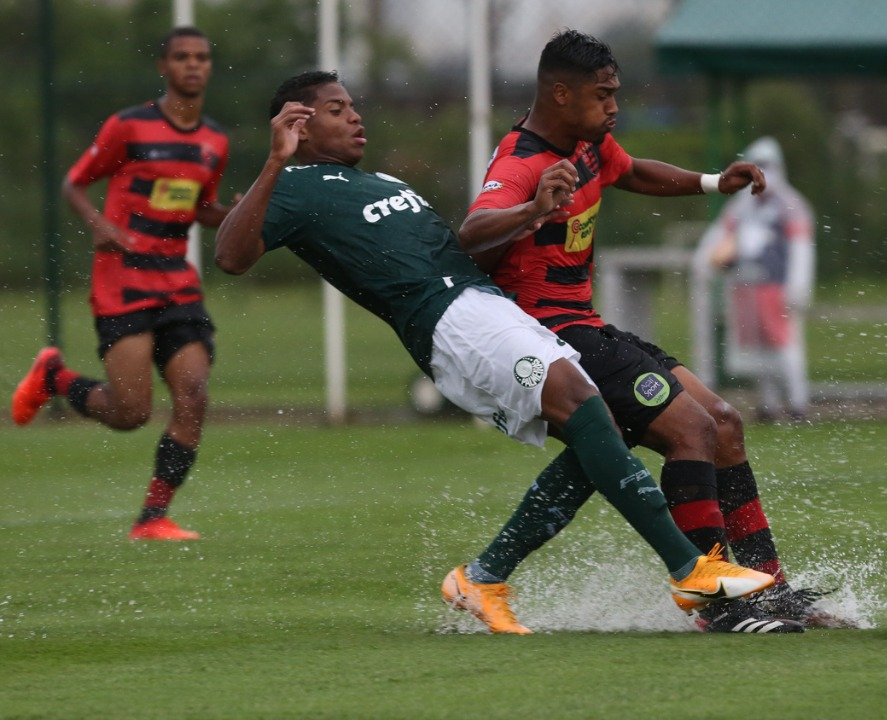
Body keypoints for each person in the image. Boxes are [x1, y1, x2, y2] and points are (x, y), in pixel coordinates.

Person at [213, 70, 788, 635]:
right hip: (451, 320)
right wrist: (272, 163)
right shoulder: (291, 185)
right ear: (298, 127)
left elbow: (468, 248)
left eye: (352, 105)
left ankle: (483, 578)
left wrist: (532, 214)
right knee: (586, 405)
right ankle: (690, 570)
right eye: (337, 110)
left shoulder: (379, 181)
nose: (356, 115)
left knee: (605, 429)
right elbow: (231, 257)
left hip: (486, 308)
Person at [458, 29, 843, 631]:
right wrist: (533, 208)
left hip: (586, 328)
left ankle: (768, 588)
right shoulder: (521, 162)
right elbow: (473, 231)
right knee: (690, 428)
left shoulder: (588, 146)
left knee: (723, 424)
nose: (615, 107)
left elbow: (633, 171)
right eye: (604, 95)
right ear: (561, 94)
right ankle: (717, 605)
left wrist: (717, 182)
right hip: (547, 340)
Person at [12, 27, 235, 541]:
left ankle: (153, 517)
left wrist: (233, 214)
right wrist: (97, 224)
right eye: (182, 57)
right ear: (164, 66)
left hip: (178, 282)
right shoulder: (130, 127)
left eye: (202, 57)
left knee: (194, 395)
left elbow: (199, 207)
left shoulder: (215, 140)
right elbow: (74, 182)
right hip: (123, 281)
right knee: (130, 412)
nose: (193, 66)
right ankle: (55, 378)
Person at [699, 136, 815, 422]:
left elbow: (801, 248)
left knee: (785, 344)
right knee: (759, 347)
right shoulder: (743, 205)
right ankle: (768, 404)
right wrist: (705, 261)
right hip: (747, 285)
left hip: (776, 285)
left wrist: (798, 285)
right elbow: (720, 236)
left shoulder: (791, 204)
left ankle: (799, 403)